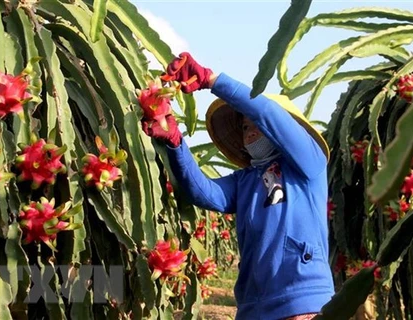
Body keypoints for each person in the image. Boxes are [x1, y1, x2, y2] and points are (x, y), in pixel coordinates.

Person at [141, 52, 334, 320]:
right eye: (244, 127)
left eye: (257, 126)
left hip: (302, 301)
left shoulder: (309, 165)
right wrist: (175, 142)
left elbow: (268, 114)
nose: (251, 131)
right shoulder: (244, 181)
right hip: (252, 307)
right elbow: (202, 191)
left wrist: (213, 80)